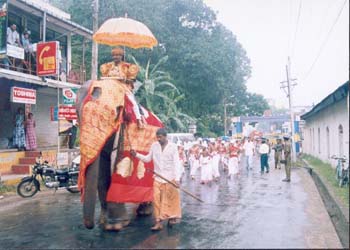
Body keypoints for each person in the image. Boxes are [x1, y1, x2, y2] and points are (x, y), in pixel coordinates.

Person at [131, 128, 182, 231]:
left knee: (170, 200)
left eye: (160, 137)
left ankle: (171, 217)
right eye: (157, 137)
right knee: (156, 200)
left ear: (165, 136)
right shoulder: (154, 146)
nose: (158, 139)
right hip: (158, 177)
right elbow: (148, 159)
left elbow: (176, 163)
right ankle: (158, 223)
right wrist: (136, 155)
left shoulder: (173, 147)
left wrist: (177, 179)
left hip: (170, 178)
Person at [100, 47, 146, 129]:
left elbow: (131, 80)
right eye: (114, 55)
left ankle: (138, 119)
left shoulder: (127, 66)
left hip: (122, 87)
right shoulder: (108, 66)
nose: (116, 57)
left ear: (121, 56)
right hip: (109, 88)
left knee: (132, 101)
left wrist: (125, 79)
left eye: (118, 55)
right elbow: (104, 76)